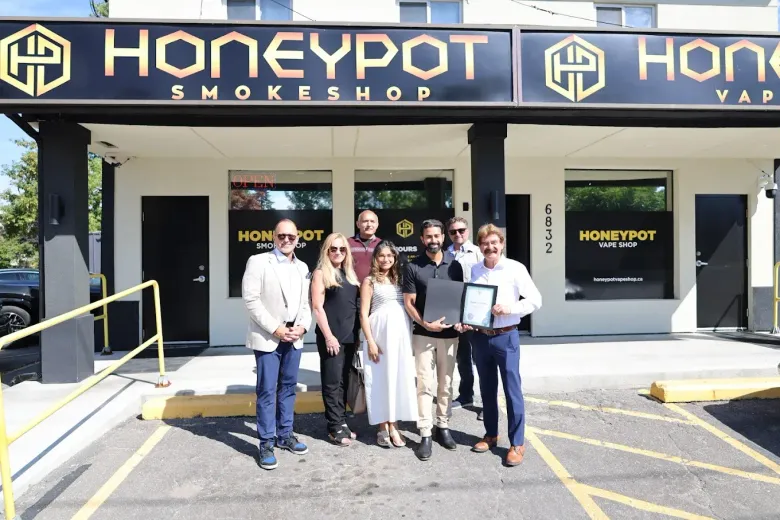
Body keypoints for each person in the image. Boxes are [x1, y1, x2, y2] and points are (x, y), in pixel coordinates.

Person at [456, 223, 542, 467]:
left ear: (501, 244)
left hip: (506, 336)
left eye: (494, 243)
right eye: (485, 244)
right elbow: (472, 303)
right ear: (480, 246)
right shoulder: (475, 269)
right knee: (487, 389)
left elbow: (536, 300)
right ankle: (491, 434)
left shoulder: (515, 268)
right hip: (480, 337)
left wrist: (511, 308)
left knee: (512, 390)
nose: (490, 247)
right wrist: (467, 322)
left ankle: (517, 443)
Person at [242, 219, 312, 470]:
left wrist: (302, 327)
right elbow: (251, 300)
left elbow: (306, 304)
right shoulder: (258, 262)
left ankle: (285, 435)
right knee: (267, 391)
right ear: (273, 236)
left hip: (294, 337)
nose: (286, 240)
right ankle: (266, 442)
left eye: (291, 236)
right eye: (281, 236)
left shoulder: (303, 266)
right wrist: (276, 329)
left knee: (289, 388)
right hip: (269, 337)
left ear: (298, 238)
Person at [402, 219, 464, 461]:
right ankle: (426, 432)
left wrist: (461, 320)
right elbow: (409, 302)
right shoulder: (413, 267)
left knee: (446, 383)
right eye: (429, 236)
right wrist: (425, 323)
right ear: (422, 239)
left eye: (437, 236)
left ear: (443, 237)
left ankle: (443, 426)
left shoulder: (455, 266)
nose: (434, 240)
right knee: (425, 384)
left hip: (450, 335)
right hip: (423, 334)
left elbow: (460, 299)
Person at [359, 240, 417, 448]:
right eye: (382, 255)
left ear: (395, 258)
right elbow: (363, 315)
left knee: (397, 380)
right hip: (379, 337)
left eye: (390, 256)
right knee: (381, 380)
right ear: (376, 258)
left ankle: (394, 425)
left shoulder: (400, 279)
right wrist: (371, 342)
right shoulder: (370, 281)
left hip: (400, 338)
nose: (386, 259)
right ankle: (383, 427)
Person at [311, 233, 360, 446]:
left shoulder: (349, 274)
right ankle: (334, 426)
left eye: (342, 249)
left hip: (350, 336)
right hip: (332, 337)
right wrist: (329, 337)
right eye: (333, 249)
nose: (338, 252)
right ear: (326, 251)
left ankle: (342, 421)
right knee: (332, 383)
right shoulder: (321, 273)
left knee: (344, 382)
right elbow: (317, 307)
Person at [444, 217, 484, 417]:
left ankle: (487, 403)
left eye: (461, 230)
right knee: (463, 358)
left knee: (482, 357)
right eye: (453, 232)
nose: (457, 234)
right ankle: (466, 395)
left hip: (476, 313)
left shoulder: (478, 252)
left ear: (468, 231)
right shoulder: (445, 254)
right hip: (455, 313)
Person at [348, 210, 382, 283]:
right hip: (352, 288)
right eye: (365, 221)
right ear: (358, 224)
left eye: (372, 221)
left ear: (377, 224)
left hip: (376, 287)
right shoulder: (348, 243)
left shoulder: (382, 244)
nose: (369, 224)